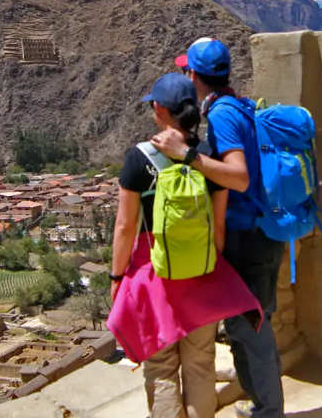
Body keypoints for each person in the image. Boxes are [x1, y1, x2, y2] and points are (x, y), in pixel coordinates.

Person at [108, 72, 262, 418]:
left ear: (159, 109)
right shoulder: (208, 157)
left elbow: (125, 226)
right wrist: (212, 269)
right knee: (200, 364)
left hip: (155, 275)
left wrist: (117, 278)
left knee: (161, 366)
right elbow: (218, 224)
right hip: (202, 272)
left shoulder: (139, 158)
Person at [152, 38, 286, 418]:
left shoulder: (224, 114)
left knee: (250, 330)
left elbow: (239, 178)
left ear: (193, 75)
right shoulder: (238, 105)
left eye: (185, 71)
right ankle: (262, 405)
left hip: (248, 238)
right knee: (251, 327)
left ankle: (269, 413)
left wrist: (187, 156)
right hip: (262, 233)